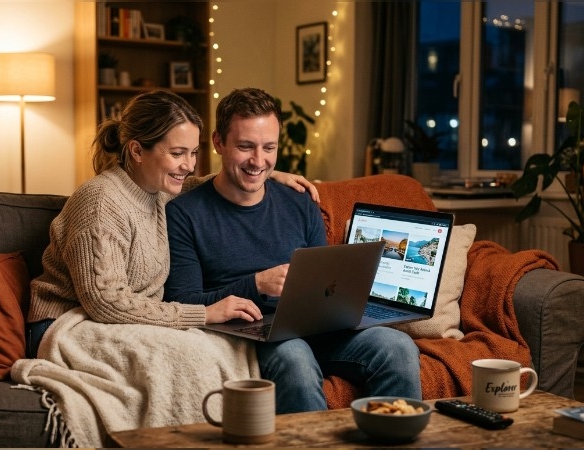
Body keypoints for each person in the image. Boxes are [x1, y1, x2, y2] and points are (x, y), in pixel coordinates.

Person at [164, 87, 422, 414]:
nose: (259, 161)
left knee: (397, 347)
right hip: (252, 332)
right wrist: (255, 284)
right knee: (296, 359)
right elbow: (182, 301)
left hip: (317, 327)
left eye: (269, 147)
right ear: (218, 143)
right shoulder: (185, 213)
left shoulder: (300, 202)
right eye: (245, 147)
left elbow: (328, 282)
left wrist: (347, 300)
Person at [25, 89, 317, 357]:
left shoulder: (157, 192)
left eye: (192, 153)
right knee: (188, 357)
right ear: (138, 151)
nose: (188, 165)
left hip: (124, 321)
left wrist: (266, 175)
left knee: (207, 353)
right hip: (68, 323)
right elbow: (106, 302)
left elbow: (207, 184)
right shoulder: (101, 202)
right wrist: (203, 314)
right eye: (177, 154)